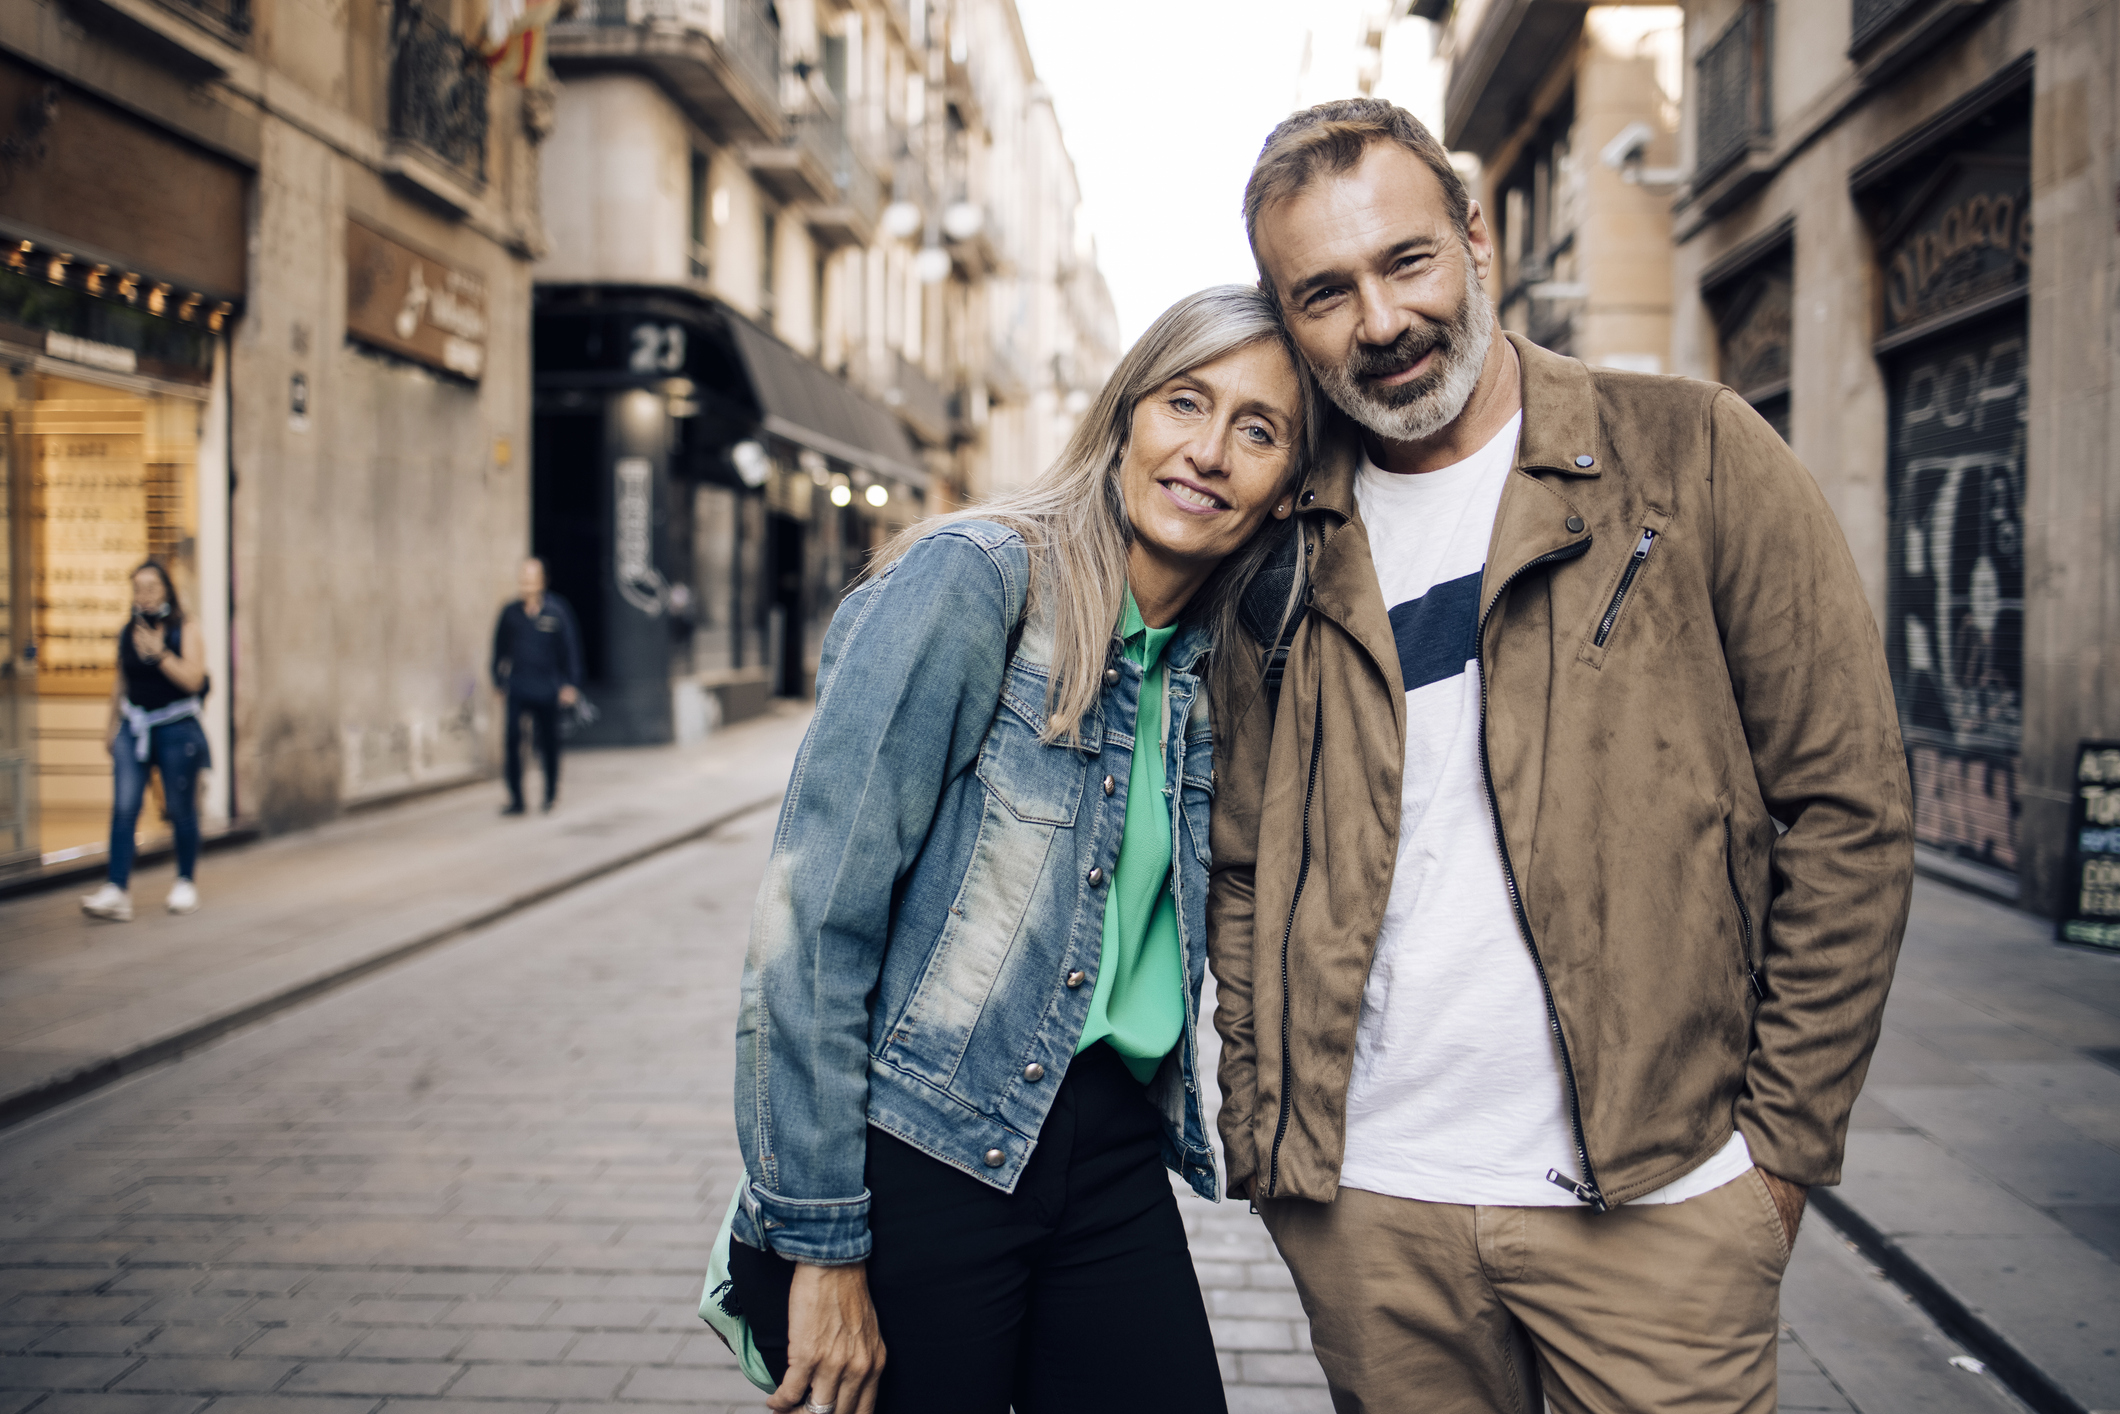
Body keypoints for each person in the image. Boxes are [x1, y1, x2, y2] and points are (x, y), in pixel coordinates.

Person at [1207, 99, 1915, 1413]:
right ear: (1285, 315)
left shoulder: (1691, 453)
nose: (1379, 321)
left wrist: (1779, 1158)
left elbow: (1847, 806)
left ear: (1476, 238)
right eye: (1324, 292)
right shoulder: (1281, 541)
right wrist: (1271, 1135)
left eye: (1406, 261)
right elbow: (1244, 863)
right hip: (1373, 1214)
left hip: (1658, 1207)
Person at [727, 286, 1319, 1414]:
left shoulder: (1212, 668)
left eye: (1257, 428)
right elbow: (810, 922)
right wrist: (821, 1244)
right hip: (922, 1153)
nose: (1206, 451)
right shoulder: (977, 580)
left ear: (1287, 484)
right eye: (1184, 402)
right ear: (1123, 415)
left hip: (1105, 1143)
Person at [80, 560, 212, 922]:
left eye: (152, 587)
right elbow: (121, 681)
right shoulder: (128, 631)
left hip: (176, 727)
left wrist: (161, 655)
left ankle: (185, 882)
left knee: (180, 809)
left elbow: (195, 681)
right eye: (138, 588)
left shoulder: (184, 627)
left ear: (167, 590)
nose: (145, 595)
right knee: (124, 808)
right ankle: (117, 889)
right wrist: (110, 726)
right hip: (134, 726)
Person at [489, 557, 582, 815]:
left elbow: (570, 650)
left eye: (531, 579)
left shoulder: (556, 611)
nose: (526, 584)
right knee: (512, 740)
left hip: (547, 688)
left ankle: (550, 794)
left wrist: (569, 685)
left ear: (542, 581)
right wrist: (498, 681)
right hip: (518, 686)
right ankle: (516, 799)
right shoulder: (510, 613)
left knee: (550, 743)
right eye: (523, 579)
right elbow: (498, 650)